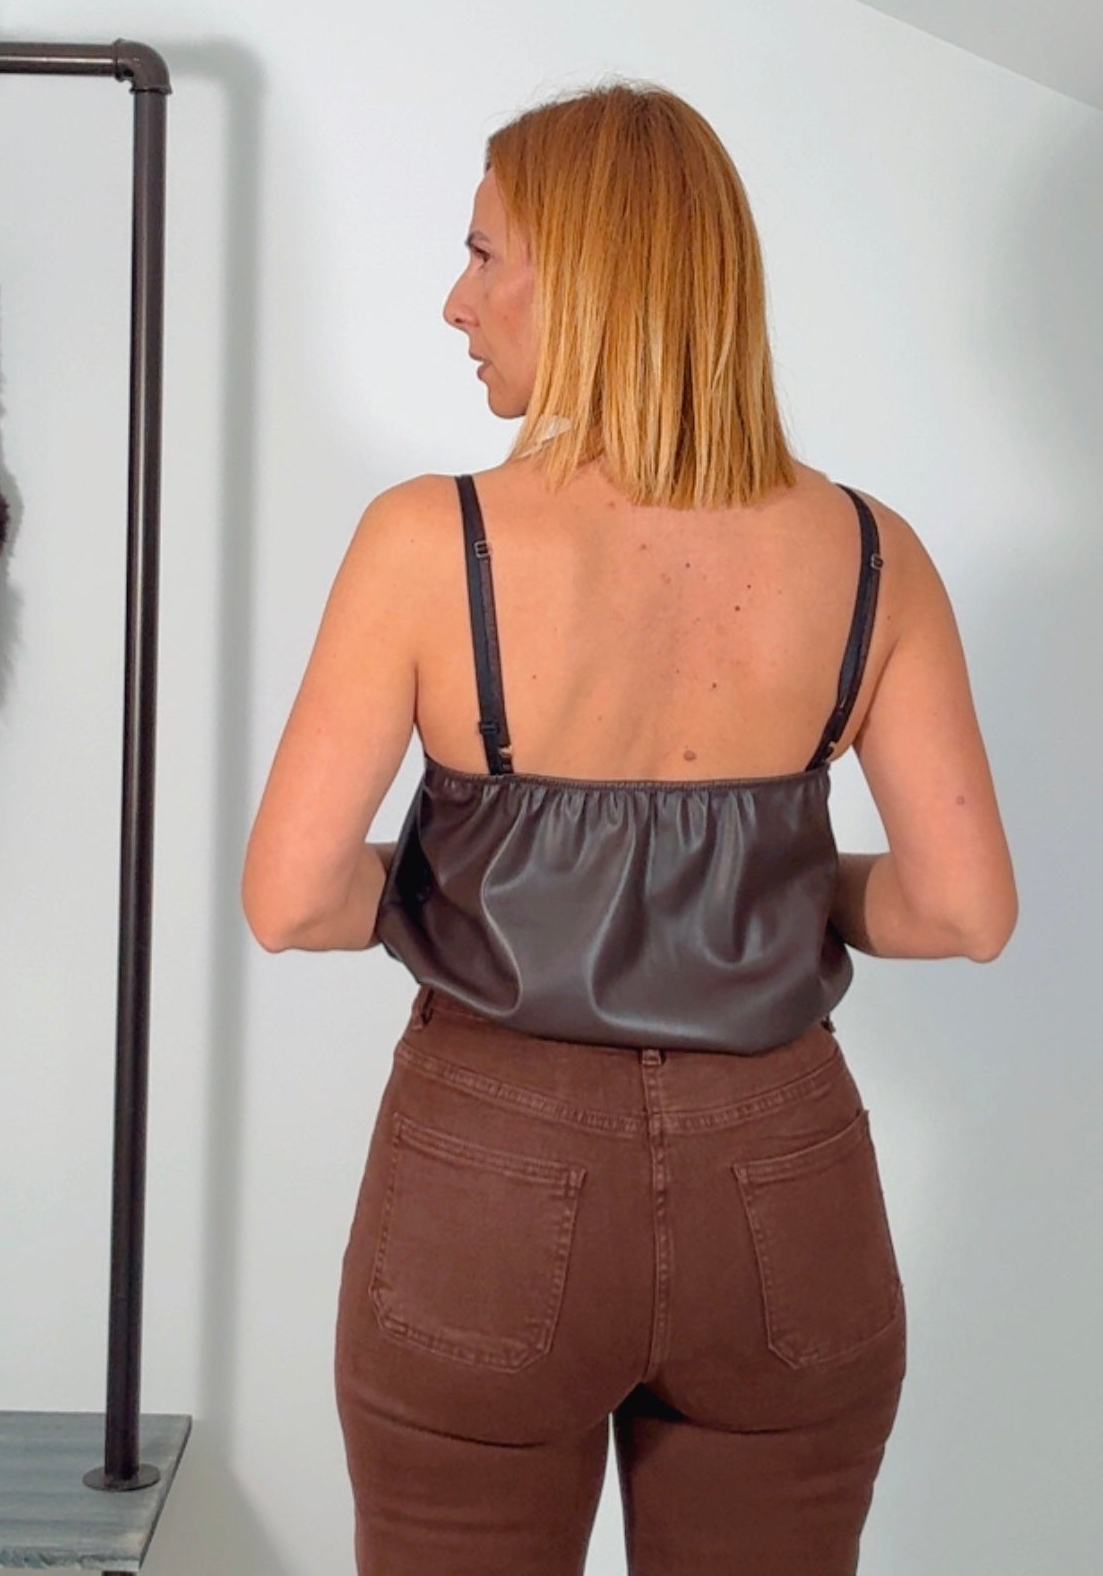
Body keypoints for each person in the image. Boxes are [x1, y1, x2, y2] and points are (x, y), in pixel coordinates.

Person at [241, 81, 1017, 1576]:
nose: (455, 300)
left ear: (593, 281)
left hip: (489, 1182)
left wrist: (504, 890)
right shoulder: (872, 552)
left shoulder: (431, 539)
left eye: (485, 255)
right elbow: (961, 911)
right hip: (784, 1189)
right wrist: (759, 888)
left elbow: (293, 900)